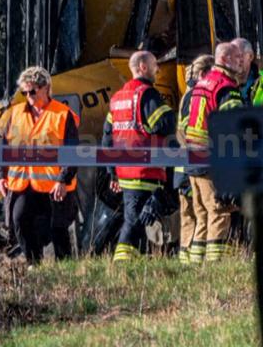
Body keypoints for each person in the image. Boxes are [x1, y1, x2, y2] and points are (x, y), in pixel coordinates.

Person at [0, 66, 80, 264]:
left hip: (54, 185)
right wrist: (2, 175)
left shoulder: (62, 114)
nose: (28, 95)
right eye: (24, 92)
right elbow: (4, 148)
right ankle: (33, 264)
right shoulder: (14, 113)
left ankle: (66, 272)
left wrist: (63, 179)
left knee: (58, 229)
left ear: (46, 88)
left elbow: (72, 152)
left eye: (32, 91)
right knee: (19, 220)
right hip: (22, 183)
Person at [104, 51, 175, 262]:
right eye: (155, 65)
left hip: (125, 172)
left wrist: (112, 173)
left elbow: (106, 139)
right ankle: (122, 263)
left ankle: (140, 260)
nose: (158, 69)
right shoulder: (147, 94)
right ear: (143, 67)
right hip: (146, 170)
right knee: (134, 221)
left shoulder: (117, 98)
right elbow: (165, 123)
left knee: (141, 218)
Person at [182, 42, 246, 261]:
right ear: (225, 59)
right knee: (219, 212)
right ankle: (215, 265)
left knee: (201, 215)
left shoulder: (202, 84)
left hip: (193, 158)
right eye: (238, 57)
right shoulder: (226, 87)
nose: (242, 61)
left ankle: (196, 265)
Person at [175, 54, 215, 263]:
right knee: (203, 213)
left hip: (184, 166)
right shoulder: (198, 95)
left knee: (190, 216)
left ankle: (187, 260)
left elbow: (180, 132)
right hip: (196, 164)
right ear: (203, 73)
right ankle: (196, 259)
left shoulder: (187, 95)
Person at [232, 37, 263, 108]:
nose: (236, 60)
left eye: (239, 56)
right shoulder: (223, 83)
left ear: (251, 56)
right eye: (232, 57)